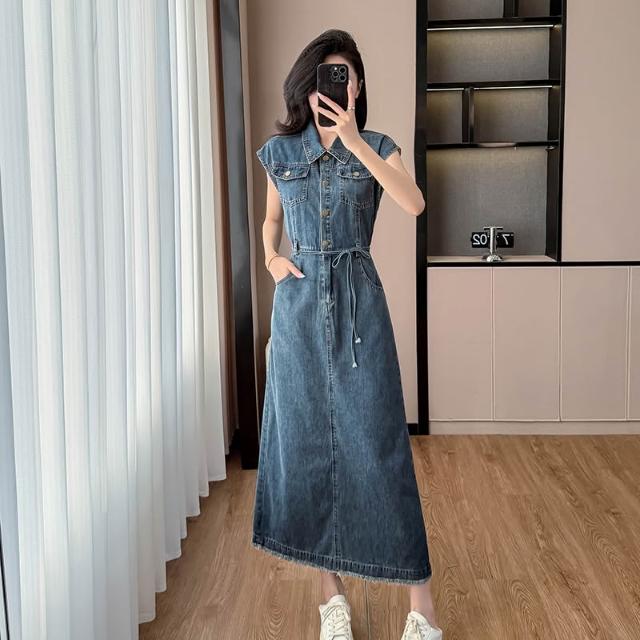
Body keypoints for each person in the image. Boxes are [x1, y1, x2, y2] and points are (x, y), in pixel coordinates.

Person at [252, 29, 442, 640]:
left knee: (381, 450)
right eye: (327, 77)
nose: (336, 87)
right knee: (308, 451)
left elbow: (414, 203)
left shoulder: (379, 146)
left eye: (347, 77)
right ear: (307, 87)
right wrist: (273, 260)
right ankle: (330, 596)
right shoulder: (281, 153)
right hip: (299, 313)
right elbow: (270, 221)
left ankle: (422, 610)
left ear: (357, 87)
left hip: (361, 312)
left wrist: (356, 141)